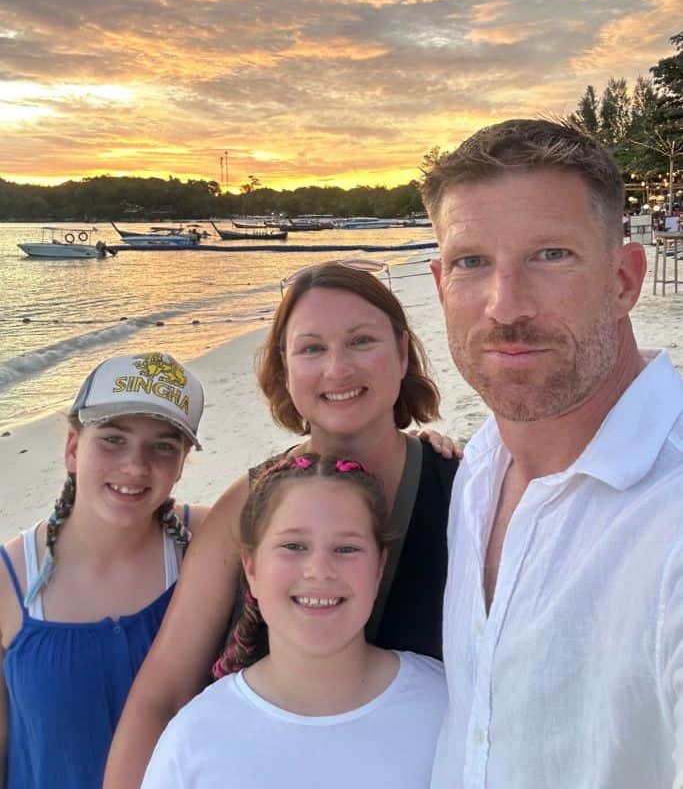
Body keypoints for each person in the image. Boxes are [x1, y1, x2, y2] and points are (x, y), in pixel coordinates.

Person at [104, 262, 458, 788]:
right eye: (311, 348)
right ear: (285, 370)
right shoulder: (246, 506)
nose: (337, 369)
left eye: (361, 341)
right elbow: (163, 692)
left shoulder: (464, 490)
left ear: (403, 353)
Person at [421, 118, 683, 788]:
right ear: (440, 284)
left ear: (623, 280)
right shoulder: (480, 466)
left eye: (550, 254)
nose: (505, 306)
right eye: (471, 262)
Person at [141, 452, 447, 789]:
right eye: (294, 546)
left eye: (346, 549)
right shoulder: (194, 738)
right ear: (251, 569)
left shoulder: (447, 706)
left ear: (378, 569)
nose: (319, 570)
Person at [0, 351, 209, 789]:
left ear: (181, 463)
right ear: (73, 449)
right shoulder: (9, 578)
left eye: (163, 446)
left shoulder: (207, 542)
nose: (135, 466)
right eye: (113, 439)